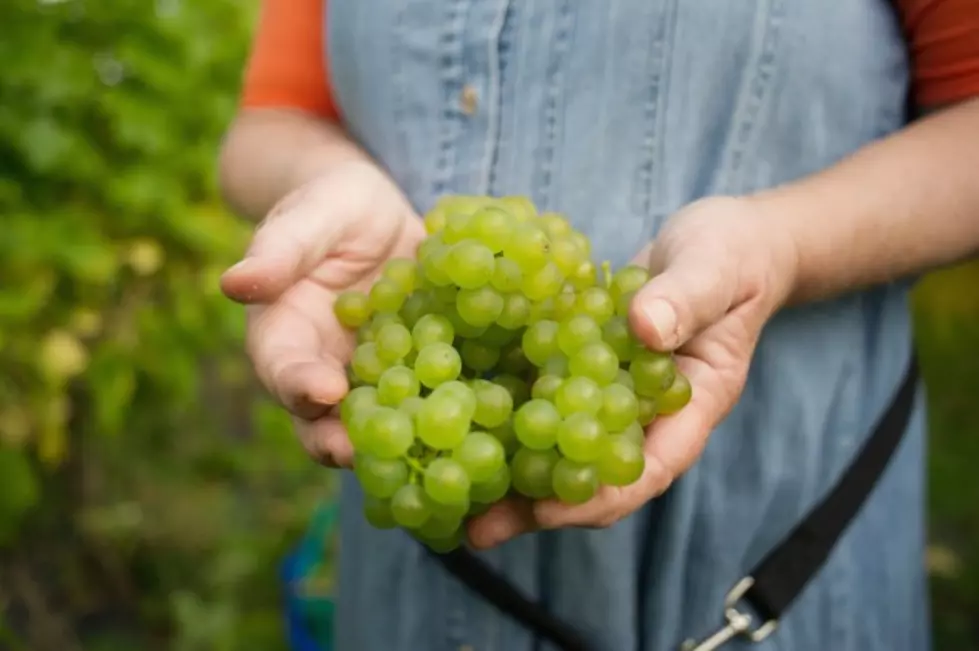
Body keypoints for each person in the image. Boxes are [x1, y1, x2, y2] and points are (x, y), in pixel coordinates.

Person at [217, 1, 979, 649]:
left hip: (786, 541)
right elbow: (269, 122)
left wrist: (783, 243)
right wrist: (322, 181)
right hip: (420, 566)